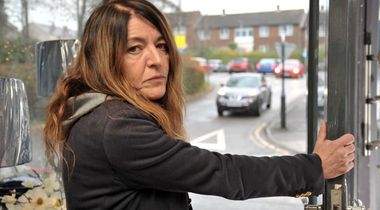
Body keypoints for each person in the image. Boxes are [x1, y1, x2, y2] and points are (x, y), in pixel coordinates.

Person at [43, 0, 355, 209]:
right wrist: (314, 167)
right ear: (103, 61)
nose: (157, 60)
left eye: (161, 46)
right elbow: (224, 174)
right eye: (134, 49)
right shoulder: (116, 128)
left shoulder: (97, 115)